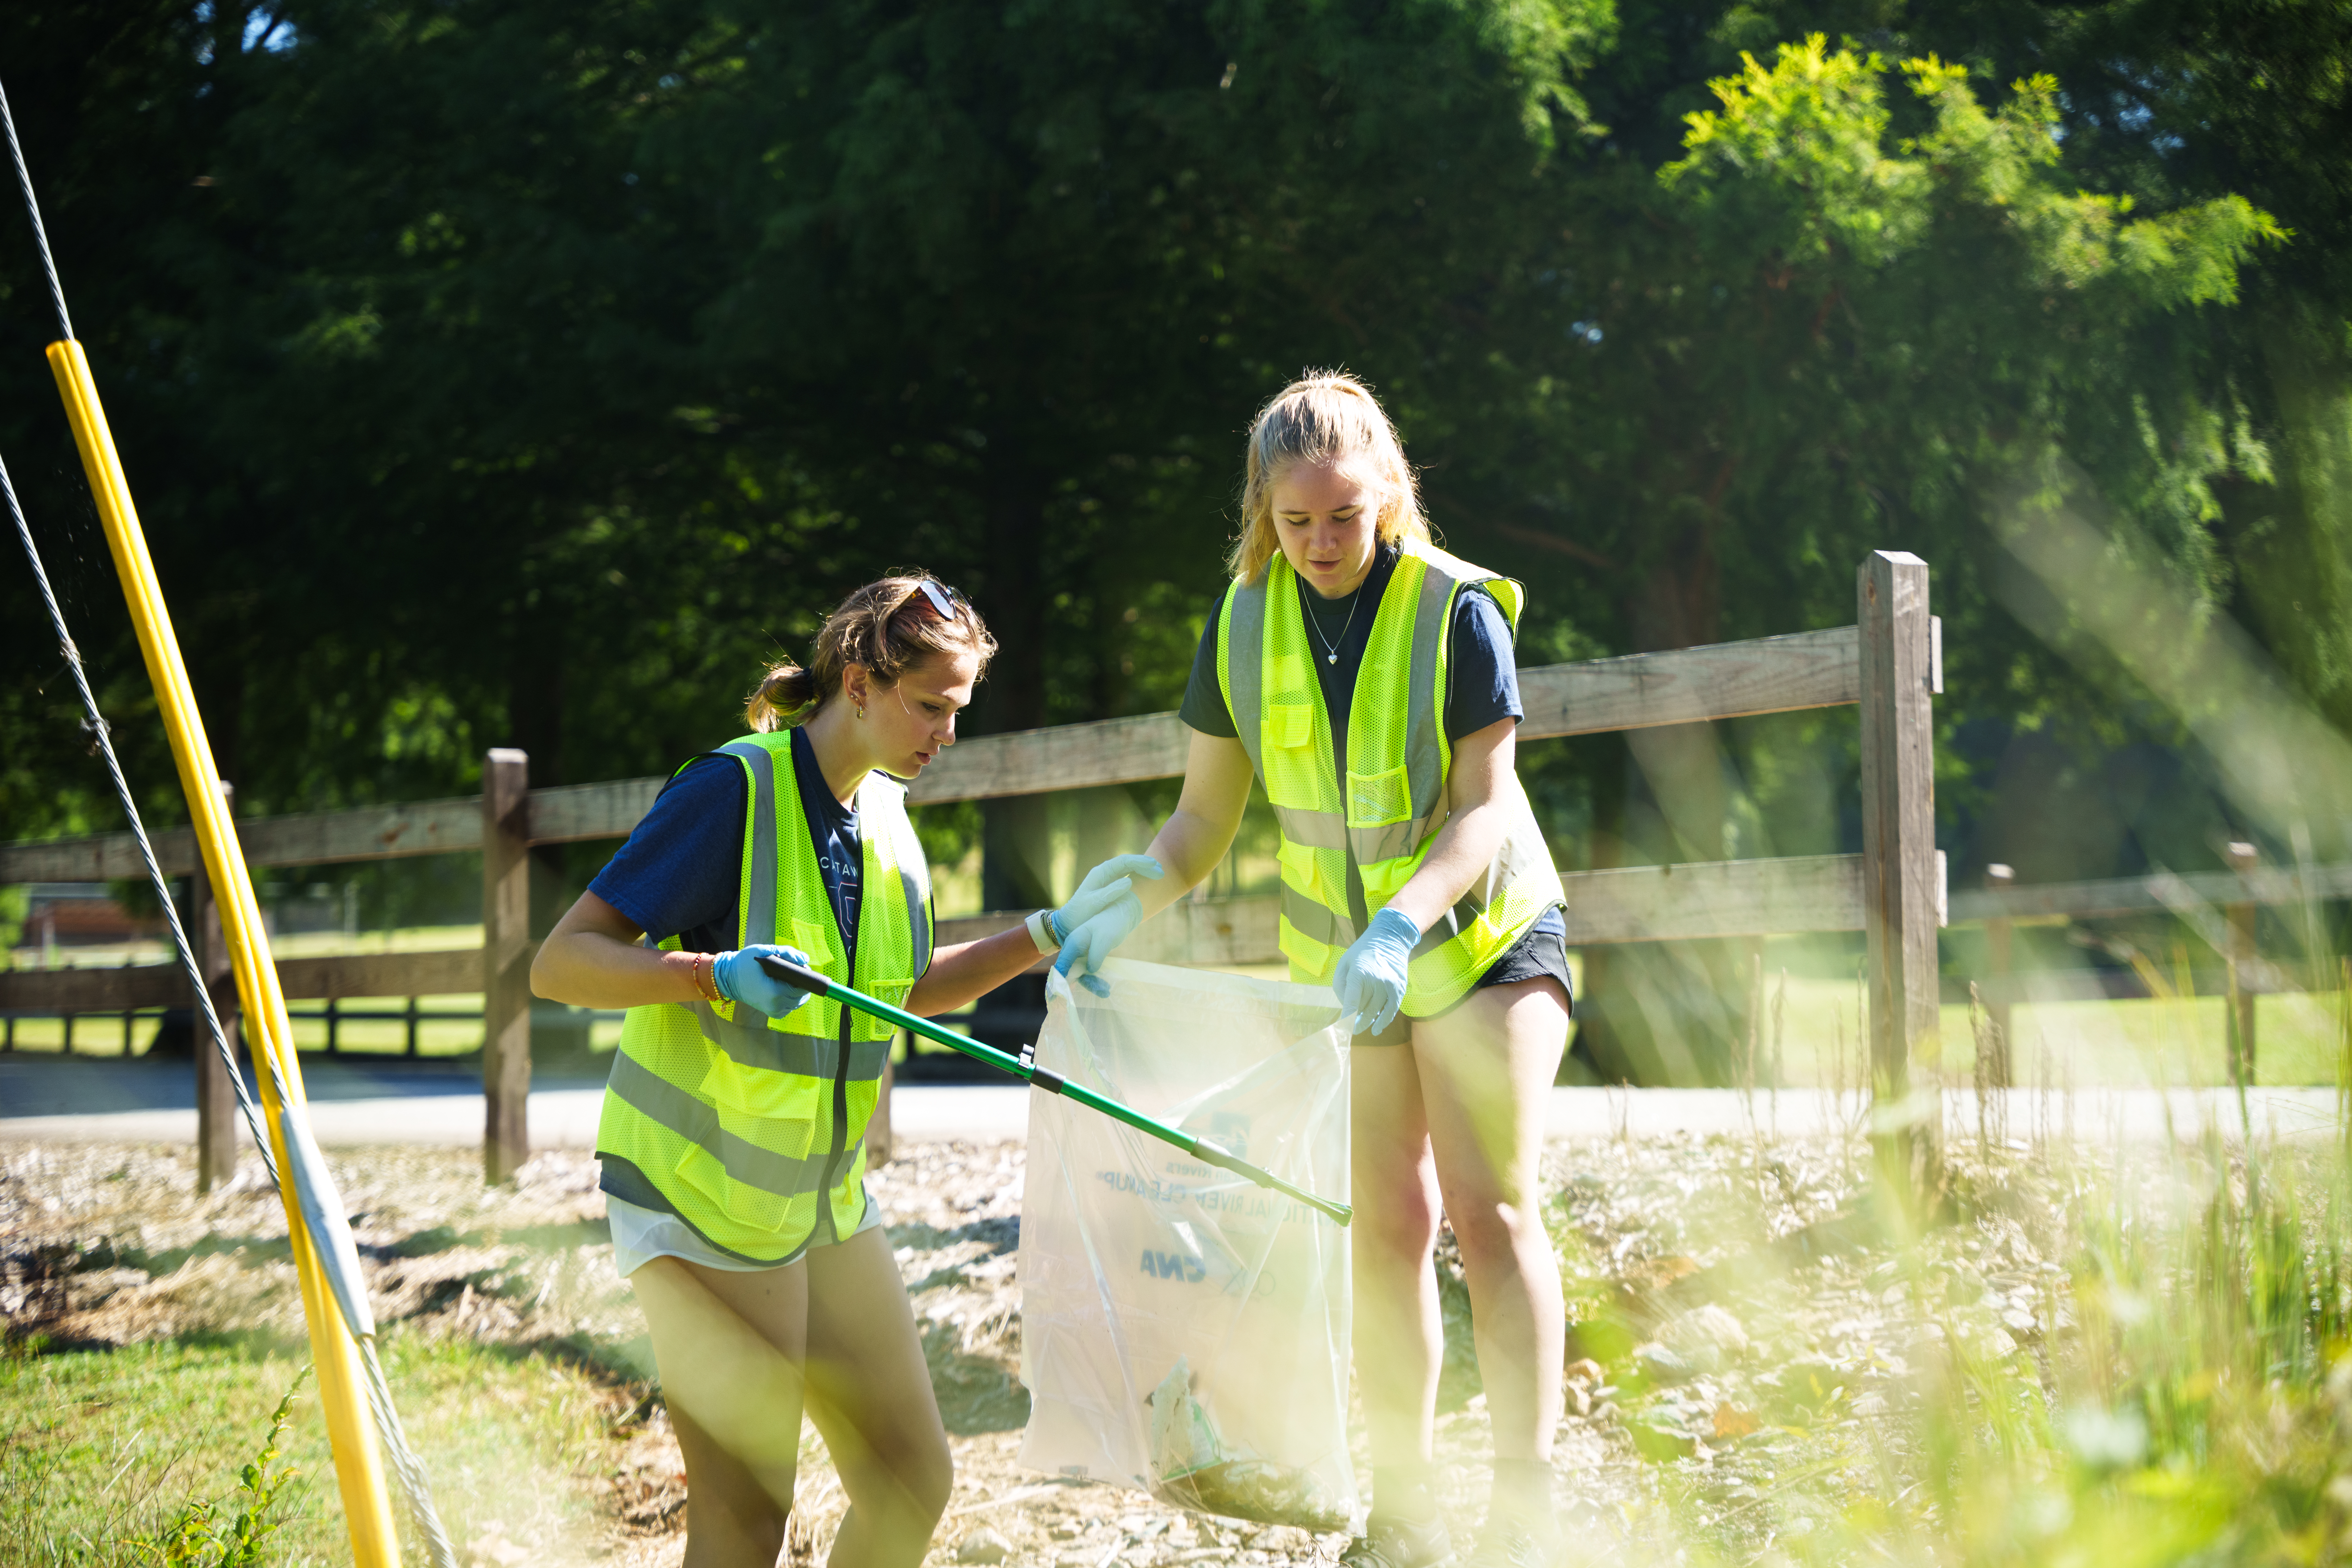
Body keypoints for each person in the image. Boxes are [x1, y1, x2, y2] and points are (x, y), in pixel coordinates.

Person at [532, 576, 1156, 1568]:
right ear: (860, 683)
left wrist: (1046, 933)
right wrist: (711, 975)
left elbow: (900, 992)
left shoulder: (889, 822)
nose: (946, 735)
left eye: (960, 711)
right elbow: (561, 962)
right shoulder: (732, 791)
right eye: (931, 706)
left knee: (913, 1480)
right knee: (746, 1519)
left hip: (818, 1201)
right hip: (699, 1199)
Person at [1055, 375, 1572, 1568]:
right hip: (1348, 980)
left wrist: (1399, 926)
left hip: (1481, 942)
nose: (1325, 544)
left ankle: (1525, 1510)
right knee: (1384, 1229)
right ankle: (1406, 1511)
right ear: (1263, 514)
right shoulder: (1241, 621)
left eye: (1345, 517)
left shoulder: (1454, 612)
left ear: (1388, 493)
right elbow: (1199, 824)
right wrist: (1131, 894)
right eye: (1299, 523)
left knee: (1492, 1218)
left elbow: (1486, 812)